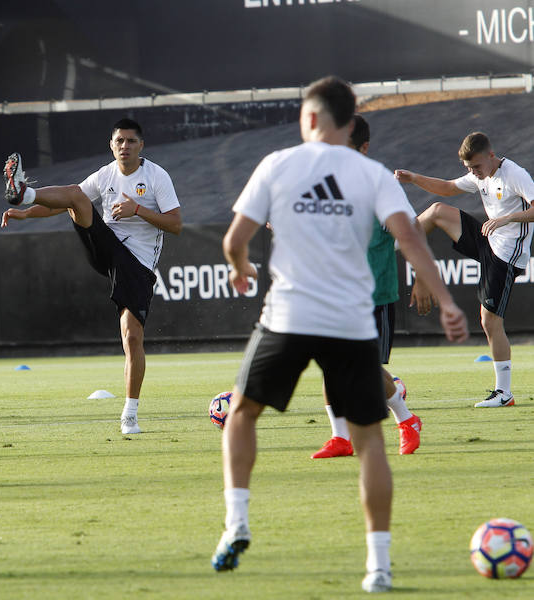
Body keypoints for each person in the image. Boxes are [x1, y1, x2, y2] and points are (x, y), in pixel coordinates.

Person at [212, 76, 468, 593]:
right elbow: (412, 239)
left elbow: (234, 240)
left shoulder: (277, 164)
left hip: (287, 315)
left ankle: (236, 522)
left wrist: (239, 268)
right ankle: (379, 566)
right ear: (351, 125)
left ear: (306, 118)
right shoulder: (372, 174)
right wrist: (444, 302)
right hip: (350, 321)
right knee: (370, 440)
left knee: (242, 413)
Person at [0, 118, 182, 434]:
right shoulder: (105, 174)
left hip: (137, 264)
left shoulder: (156, 177)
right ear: (112, 146)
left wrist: (137, 210)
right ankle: (24, 194)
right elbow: (65, 202)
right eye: (119, 142)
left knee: (132, 336)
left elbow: (176, 224)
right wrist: (26, 212)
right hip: (106, 248)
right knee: (76, 195)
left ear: (141, 146)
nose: (124, 146)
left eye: (130, 141)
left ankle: (130, 414)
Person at [395, 132, 534, 407]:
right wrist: (415, 179)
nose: (474, 173)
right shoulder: (480, 174)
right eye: (469, 169)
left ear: (491, 156)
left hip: (506, 255)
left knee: (489, 321)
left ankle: (504, 393)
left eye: (477, 167)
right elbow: (448, 187)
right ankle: (392, 245)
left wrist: (507, 218)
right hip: (487, 238)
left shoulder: (514, 174)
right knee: (436, 211)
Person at [312, 114, 423, 459]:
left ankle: (406, 420)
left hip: (374, 295)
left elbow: (412, 231)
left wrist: (421, 276)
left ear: (363, 148)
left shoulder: (381, 186)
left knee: (364, 369)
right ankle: (340, 437)